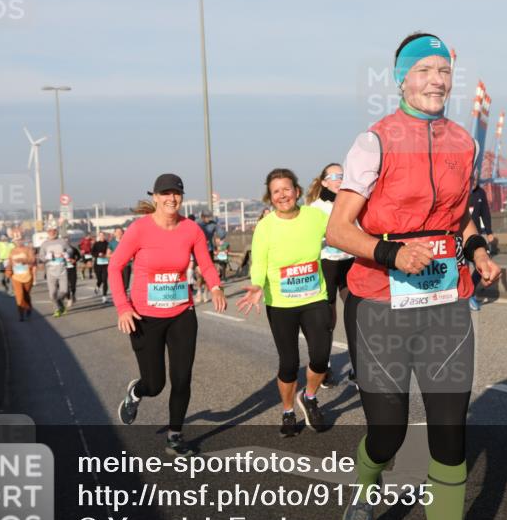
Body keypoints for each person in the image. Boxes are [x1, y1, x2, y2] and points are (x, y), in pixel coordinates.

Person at [326, 33, 500, 520]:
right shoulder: (373, 141)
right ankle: (365, 488)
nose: (437, 79)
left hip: (447, 301)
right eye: (425, 69)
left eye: (445, 70)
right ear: (401, 78)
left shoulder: (463, 142)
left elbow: (460, 217)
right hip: (380, 303)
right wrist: (391, 251)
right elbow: (338, 227)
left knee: (451, 434)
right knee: (389, 432)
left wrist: (477, 251)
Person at [114, 174, 227, 457]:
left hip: (181, 314)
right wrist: (123, 307)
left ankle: (175, 435)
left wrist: (215, 287)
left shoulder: (191, 229)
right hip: (144, 317)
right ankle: (136, 392)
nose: (171, 198)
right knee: (155, 384)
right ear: (154, 197)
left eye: (176, 193)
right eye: (165, 193)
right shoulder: (139, 230)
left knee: (182, 378)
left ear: (181, 196)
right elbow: (115, 267)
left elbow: (206, 263)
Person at [237, 168, 333, 438]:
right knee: (289, 362)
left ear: (297, 191)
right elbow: (260, 263)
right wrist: (257, 285)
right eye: (276, 191)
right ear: (270, 197)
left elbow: (342, 233)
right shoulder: (266, 226)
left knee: (321, 357)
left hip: (314, 297)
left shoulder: (315, 217)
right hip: (281, 303)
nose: (282, 195)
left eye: (287, 189)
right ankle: (289, 410)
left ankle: (310, 397)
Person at [306, 162, 354, 388]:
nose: (340, 178)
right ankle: (323, 366)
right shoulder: (315, 207)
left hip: (349, 261)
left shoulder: (351, 202)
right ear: (324, 181)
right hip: (326, 263)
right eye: (334, 175)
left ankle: (358, 366)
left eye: (342, 175)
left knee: (357, 310)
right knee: (328, 318)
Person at [467, 176, 495, 311]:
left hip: (476, 238)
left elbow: (485, 213)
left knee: (481, 267)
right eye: (471, 179)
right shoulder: (460, 191)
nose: (473, 182)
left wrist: (489, 232)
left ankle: (470, 294)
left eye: (475, 179)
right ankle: (462, 296)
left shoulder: (480, 193)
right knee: (461, 268)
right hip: (458, 237)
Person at [38, 227, 71, 318]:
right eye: (50, 231)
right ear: (47, 232)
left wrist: (67, 254)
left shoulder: (62, 241)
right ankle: (57, 309)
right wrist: (46, 258)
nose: (52, 233)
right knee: (52, 294)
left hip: (62, 270)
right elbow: (41, 257)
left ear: (56, 232)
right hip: (50, 271)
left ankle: (60, 303)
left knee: (64, 291)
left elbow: (70, 250)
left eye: (54, 231)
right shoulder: (45, 244)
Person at [8, 232, 37, 321]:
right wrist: (8, 271)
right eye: (16, 241)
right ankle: (21, 314)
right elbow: (10, 263)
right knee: (19, 296)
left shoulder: (28, 250)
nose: (18, 242)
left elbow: (33, 260)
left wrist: (24, 260)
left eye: (20, 240)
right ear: (14, 242)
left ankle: (28, 306)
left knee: (26, 294)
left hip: (27, 276)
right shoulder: (12, 251)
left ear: (23, 240)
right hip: (16, 277)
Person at [110, 227, 132, 294]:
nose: (119, 233)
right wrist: (116, 256)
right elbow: (108, 254)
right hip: (116, 265)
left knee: (126, 284)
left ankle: (124, 294)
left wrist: (131, 256)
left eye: (121, 232)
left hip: (126, 265)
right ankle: (123, 298)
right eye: (118, 232)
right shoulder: (112, 243)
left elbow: (132, 252)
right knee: (119, 284)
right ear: (115, 233)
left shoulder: (128, 242)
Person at [91, 231, 111, 303]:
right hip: (98, 264)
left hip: (106, 264)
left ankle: (104, 297)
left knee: (105, 280)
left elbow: (111, 251)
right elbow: (92, 252)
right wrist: (98, 254)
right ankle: (97, 286)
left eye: (103, 235)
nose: (102, 236)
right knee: (100, 280)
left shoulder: (108, 244)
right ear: (99, 236)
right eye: (100, 235)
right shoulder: (96, 244)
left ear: (105, 236)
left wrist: (106, 255)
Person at [64, 241, 80, 307]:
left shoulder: (73, 249)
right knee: (66, 286)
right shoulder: (61, 250)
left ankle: (73, 294)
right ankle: (69, 299)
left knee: (73, 284)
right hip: (64, 269)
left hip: (72, 268)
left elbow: (79, 256)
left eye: (67, 242)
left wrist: (75, 260)